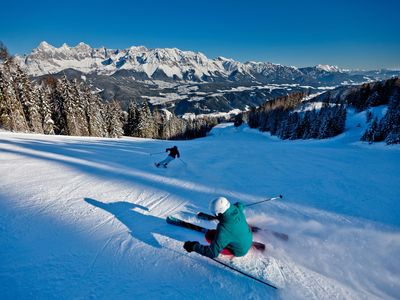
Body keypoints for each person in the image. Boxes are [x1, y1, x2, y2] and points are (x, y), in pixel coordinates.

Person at [183, 197, 253, 258]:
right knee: (239, 225)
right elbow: (240, 204)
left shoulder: (223, 229)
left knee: (209, 236)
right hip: (249, 236)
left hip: (239, 251)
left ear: (219, 214)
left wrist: (194, 246)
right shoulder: (236, 208)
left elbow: (212, 253)